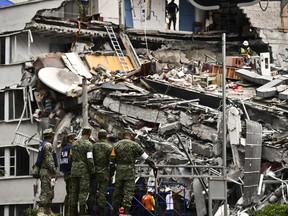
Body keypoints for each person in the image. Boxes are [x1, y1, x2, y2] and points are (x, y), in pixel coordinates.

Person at [110, 128, 158, 215]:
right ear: (130, 135)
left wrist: (111, 173)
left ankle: (114, 211)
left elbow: (111, 161)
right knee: (129, 192)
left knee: (117, 191)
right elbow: (145, 157)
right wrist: (153, 166)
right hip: (130, 172)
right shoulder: (134, 145)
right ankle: (126, 211)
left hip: (119, 172)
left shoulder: (115, 145)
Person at [70, 126, 95, 216]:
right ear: (89, 134)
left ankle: (73, 213)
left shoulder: (74, 144)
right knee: (83, 192)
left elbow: (70, 158)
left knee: (74, 192)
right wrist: (92, 171)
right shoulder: (88, 145)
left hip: (74, 169)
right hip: (83, 171)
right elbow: (90, 159)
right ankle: (82, 212)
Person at [89, 129, 113, 216]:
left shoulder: (93, 147)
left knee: (92, 193)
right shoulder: (110, 147)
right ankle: (101, 213)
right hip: (104, 173)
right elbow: (112, 163)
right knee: (102, 194)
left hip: (94, 172)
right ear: (106, 137)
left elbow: (90, 160)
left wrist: (91, 171)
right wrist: (111, 175)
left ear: (98, 137)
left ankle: (90, 212)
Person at [36, 128, 58, 215]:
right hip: (47, 171)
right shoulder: (48, 145)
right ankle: (41, 211)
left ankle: (48, 210)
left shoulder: (42, 144)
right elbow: (49, 160)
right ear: (51, 136)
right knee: (45, 191)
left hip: (45, 171)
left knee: (50, 192)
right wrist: (54, 171)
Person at [60, 132, 76, 216]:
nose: (74, 141)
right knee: (72, 194)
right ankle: (70, 213)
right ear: (70, 140)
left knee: (68, 193)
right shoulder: (71, 149)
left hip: (65, 174)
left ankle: (66, 212)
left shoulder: (63, 149)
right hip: (71, 173)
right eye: (74, 139)